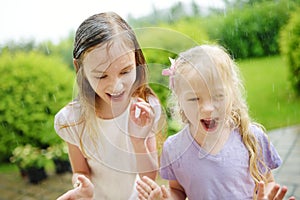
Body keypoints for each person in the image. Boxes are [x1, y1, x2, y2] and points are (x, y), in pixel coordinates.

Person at [136, 45, 296, 200]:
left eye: (217, 96)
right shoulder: (174, 149)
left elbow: (267, 182)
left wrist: (266, 195)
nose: (207, 108)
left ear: (231, 94)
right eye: (194, 99)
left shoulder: (253, 137)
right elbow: (177, 190)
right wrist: (165, 198)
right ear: (180, 102)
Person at [54, 12, 165, 200]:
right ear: (79, 69)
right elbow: (80, 171)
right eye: (102, 76)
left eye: (125, 71)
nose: (116, 86)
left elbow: (148, 176)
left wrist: (139, 141)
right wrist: (81, 185)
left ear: (136, 61)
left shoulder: (145, 109)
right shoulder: (73, 120)